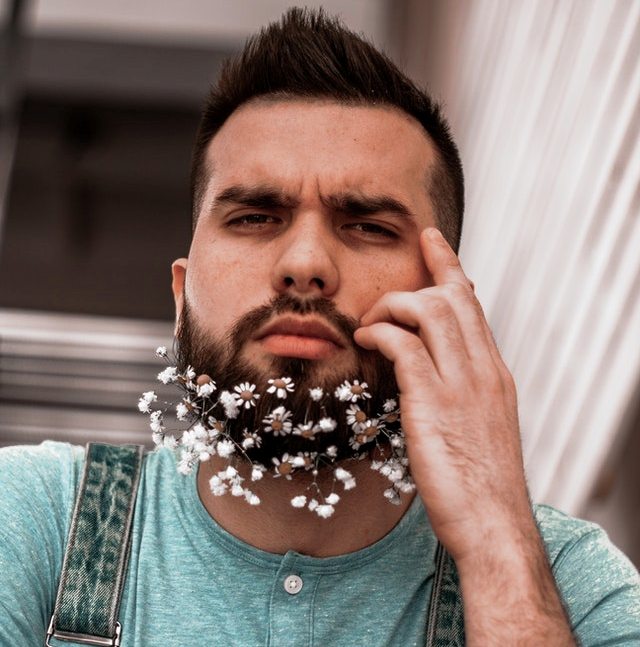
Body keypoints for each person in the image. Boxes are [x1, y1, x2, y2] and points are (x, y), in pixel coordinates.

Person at [1, 8, 638, 646]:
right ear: (181, 296)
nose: (304, 265)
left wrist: (499, 538)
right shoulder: (32, 521)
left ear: (445, 302)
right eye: (255, 216)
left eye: (367, 225)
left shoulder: (571, 586)